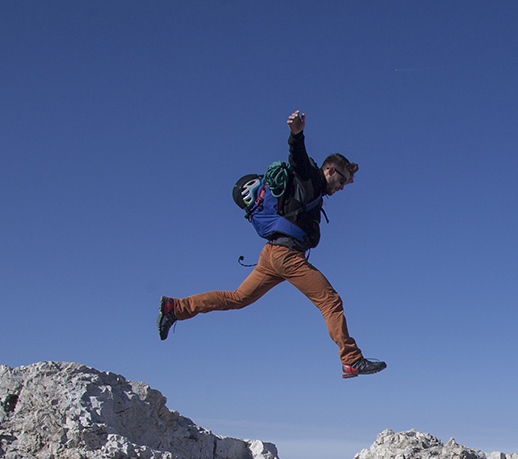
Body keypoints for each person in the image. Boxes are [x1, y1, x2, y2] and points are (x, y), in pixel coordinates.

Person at [157, 110, 386, 379]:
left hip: (272, 255)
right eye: (344, 179)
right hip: (286, 256)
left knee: (237, 298)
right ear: (331, 170)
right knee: (330, 301)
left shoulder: (313, 191)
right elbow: (298, 157)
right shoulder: (310, 177)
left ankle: (176, 307)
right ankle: (351, 359)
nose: (343, 187)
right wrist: (296, 135)